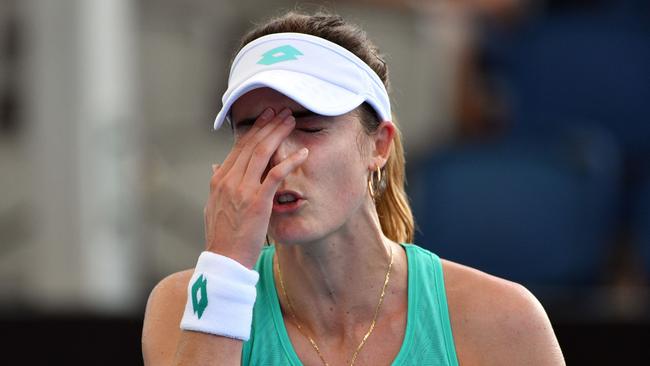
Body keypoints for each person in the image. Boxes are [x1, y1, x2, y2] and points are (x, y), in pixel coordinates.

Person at [142, 11, 565, 366]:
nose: (276, 155)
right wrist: (225, 264)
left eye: (309, 125)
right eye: (251, 128)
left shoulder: (504, 321)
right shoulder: (183, 305)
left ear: (378, 145)